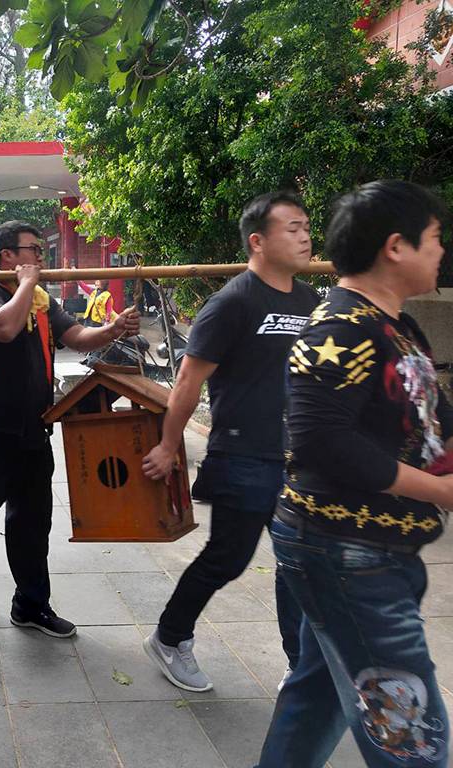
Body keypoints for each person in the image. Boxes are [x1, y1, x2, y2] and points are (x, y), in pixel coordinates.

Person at [255, 180, 453, 767]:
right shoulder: (341, 328)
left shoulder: (397, 327)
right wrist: (438, 489)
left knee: (317, 701)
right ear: (396, 246)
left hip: (369, 549)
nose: (442, 250)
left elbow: (433, 419)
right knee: (413, 739)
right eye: (435, 237)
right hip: (346, 550)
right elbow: (321, 442)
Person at [140, 191, 319, 692]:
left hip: (297, 457)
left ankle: (299, 664)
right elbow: (187, 382)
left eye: (307, 228)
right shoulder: (232, 303)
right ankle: (169, 638)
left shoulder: (310, 302)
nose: (305, 237)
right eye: (292, 228)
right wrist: (168, 445)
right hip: (243, 454)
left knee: (298, 561)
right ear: (257, 241)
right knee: (228, 558)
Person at [0, 220, 140, 637]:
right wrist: (27, 283)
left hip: (32, 429)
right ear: (7, 256)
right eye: (34, 250)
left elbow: (77, 336)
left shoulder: (42, 300)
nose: (41, 258)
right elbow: (4, 328)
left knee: (31, 522)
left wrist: (113, 329)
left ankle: (30, 604)